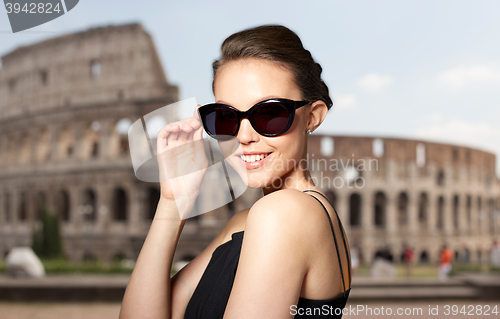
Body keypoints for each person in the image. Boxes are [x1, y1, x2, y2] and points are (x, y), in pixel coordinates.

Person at [119, 25, 351, 319]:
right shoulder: (249, 220)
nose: (244, 136)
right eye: (225, 118)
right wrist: (173, 202)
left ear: (313, 116)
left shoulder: (284, 213)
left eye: (269, 113)